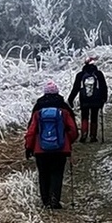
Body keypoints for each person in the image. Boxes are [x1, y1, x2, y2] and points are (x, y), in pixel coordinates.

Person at [23, 80, 79, 209]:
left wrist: (29, 147)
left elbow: (31, 130)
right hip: (60, 149)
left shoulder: (38, 109)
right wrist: (67, 141)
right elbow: (73, 130)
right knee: (57, 173)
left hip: (40, 149)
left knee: (43, 174)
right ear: (57, 93)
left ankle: (45, 200)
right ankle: (55, 199)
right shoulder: (64, 108)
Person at [67, 56, 110, 143]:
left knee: (84, 116)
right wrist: (104, 98)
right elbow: (103, 87)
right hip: (96, 99)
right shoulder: (98, 74)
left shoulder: (80, 75)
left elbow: (75, 88)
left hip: (84, 99)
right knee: (94, 117)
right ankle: (93, 136)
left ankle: (84, 134)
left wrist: (70, 99)